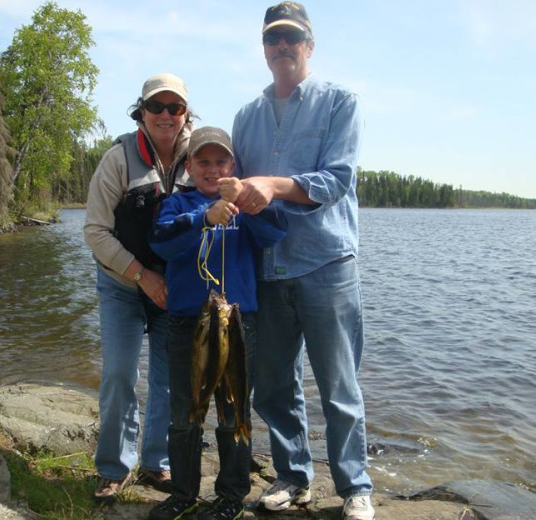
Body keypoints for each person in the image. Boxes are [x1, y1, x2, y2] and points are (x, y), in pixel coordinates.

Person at [224, 3, 375, 520]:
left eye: (292, 37)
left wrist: (273, 185)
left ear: (310, 45)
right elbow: (238, 186)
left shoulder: (340, 102)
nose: (282, 46)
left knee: (339, 386)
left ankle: (355, 486)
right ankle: (293, 477)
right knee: (272, 384)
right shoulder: (245, 117)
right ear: (264, 49)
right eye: (273, 39)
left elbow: (337, 181)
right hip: (267, 270)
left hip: (327, 264)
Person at [147, 127, 286, 520]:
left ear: (234, 166)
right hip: (186, 325)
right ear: (188, 166)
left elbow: (275, 233)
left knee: (232, 411)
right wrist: (204, 217)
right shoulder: (177, 204)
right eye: (203, 162)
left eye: (221, 161)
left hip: (239, 326)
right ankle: (184, 492)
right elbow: (161, 242)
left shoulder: (247, 205)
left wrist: (246, 202)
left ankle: (231, 496)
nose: (212, 169)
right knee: (185, 413)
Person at [84, 72, 193, 500]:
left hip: (174, 289)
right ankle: (113, 467)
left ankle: (156, 463)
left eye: (175, 107)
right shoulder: (118, 158)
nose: (166, 116)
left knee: (168, 380)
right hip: (121, 284)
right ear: (141, 111)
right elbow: (95, 233)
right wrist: (141, 276)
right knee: (118, 374)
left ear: (186, 113)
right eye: (156, 107)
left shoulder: (199, 153)